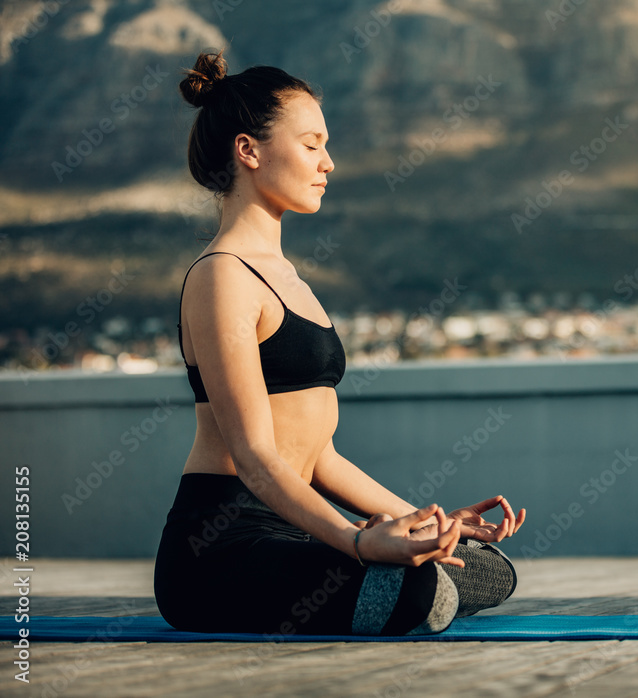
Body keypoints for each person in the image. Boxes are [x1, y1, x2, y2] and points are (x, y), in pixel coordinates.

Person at [153, 51, 526, 637]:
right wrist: (356, 541)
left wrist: (419, 521)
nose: (328, 162)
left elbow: (317, 456)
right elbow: (254, 458)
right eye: (311, 145)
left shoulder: (288, 277)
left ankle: (394, 571)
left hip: (297, 525)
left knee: (486, 569)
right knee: (421, 590)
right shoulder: (221, 276)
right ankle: (382, 581)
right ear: (248, 151)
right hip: (223, 542)